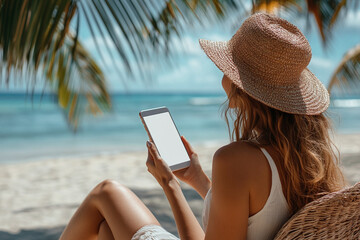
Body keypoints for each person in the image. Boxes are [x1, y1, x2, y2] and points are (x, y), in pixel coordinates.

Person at [59, 12, 345, 240]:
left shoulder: (235, 159)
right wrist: (197, 178)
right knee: (109, 231)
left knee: (107, 191)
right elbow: (256, 216)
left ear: (239, 85)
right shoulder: (313, 159)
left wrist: (170, 185)